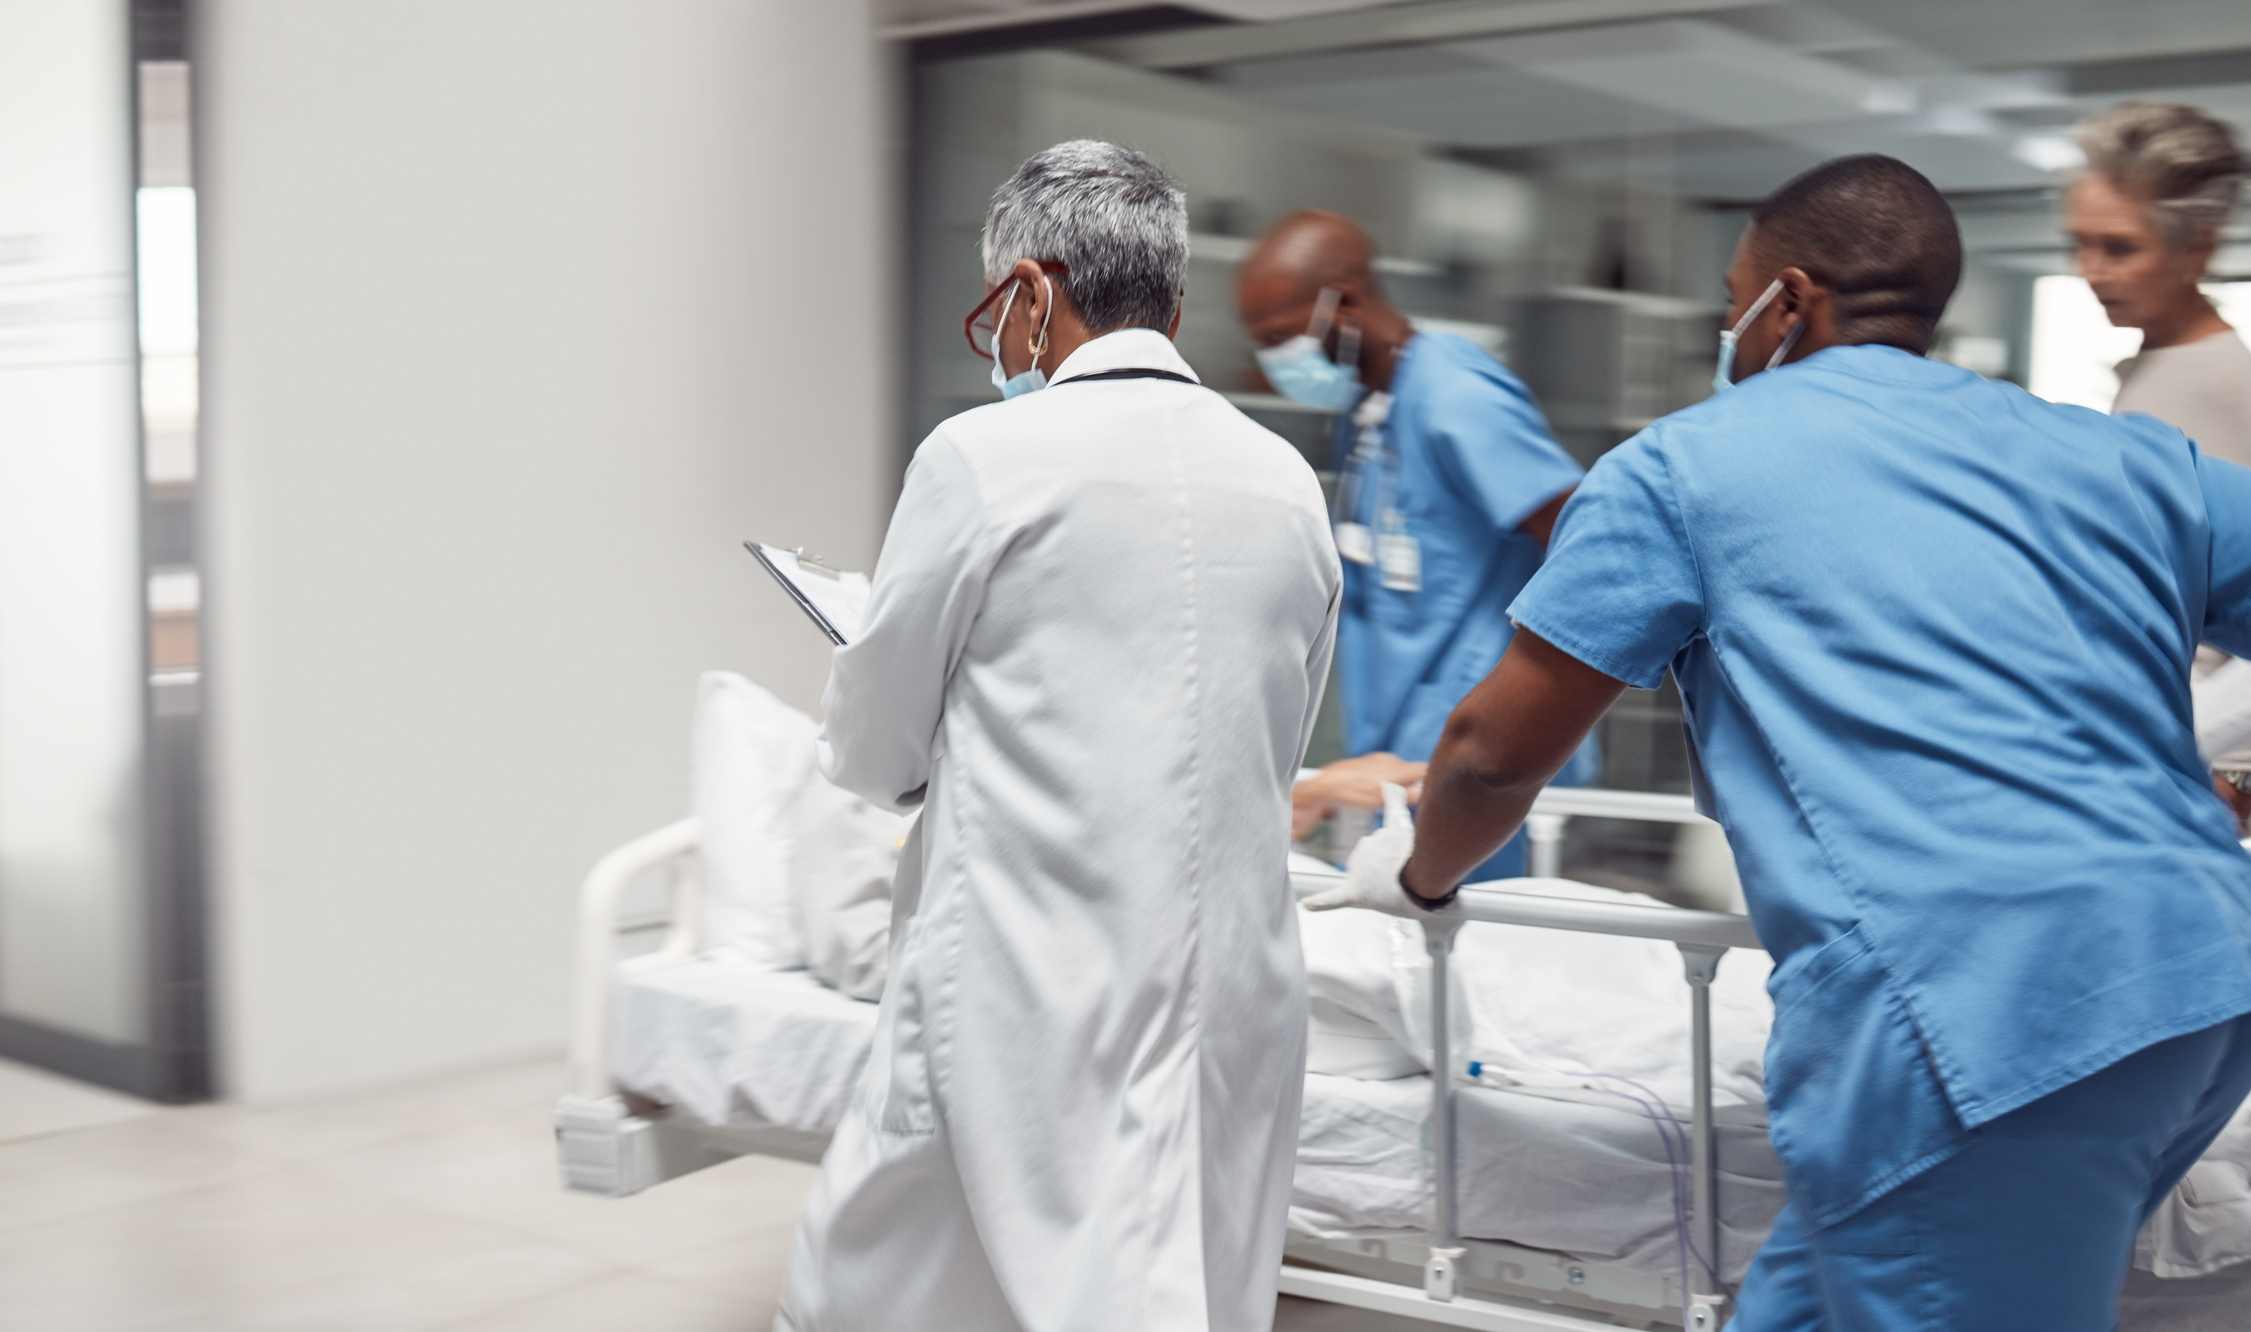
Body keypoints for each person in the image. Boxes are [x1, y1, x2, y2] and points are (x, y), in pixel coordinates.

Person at [1309, 154, 2251, 1329]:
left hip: (1990, 1016)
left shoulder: (1682, 469)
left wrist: (1415, 883)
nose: (1724, 327)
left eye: (1729, 297)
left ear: (1787, 301)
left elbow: (1490, 756)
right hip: (2203, 979)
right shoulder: (2120, 458)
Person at [776, 141, 1340, 1332]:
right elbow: (1268, 749)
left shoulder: (981, 461)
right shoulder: (1287, 482)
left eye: (999, 310)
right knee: (1186, 1286)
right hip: (1233, 995)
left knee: (889, 1293)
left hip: (1022, 999)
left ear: (1029, 294)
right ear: (1173, 305)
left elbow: (875, 757)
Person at [1236, 212, 1592, 878]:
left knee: (1472, 962)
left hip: (1474, 765)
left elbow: (1587, 544)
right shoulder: (1371, 410)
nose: (1269, 363)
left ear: (1338, 306)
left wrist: (1527, 712)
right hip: (1395, 763)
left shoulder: (1453, 395)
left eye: (1279, 339)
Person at [2064, 102, 2251, 821]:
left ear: (2194, 249)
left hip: (2176, 760)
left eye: (2117, 248)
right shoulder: (2158, 367)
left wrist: (2228, 770)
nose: (2091, 271)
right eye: (2078, 245)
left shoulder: (2213, 381)